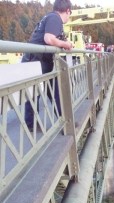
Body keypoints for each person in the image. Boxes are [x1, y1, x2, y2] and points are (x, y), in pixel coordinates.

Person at [21, 0, 73, 131]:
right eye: (70, 14)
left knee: (53, 90)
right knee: (35, 92)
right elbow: (49, 38)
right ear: (67, 11)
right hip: (36, 61)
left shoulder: (51, 18)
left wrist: (63, 42)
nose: (69, 16)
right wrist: (66, 44)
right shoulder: (54, 18)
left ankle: (64, 122)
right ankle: (31, 125)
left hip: (39, 60)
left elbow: (55, 39)